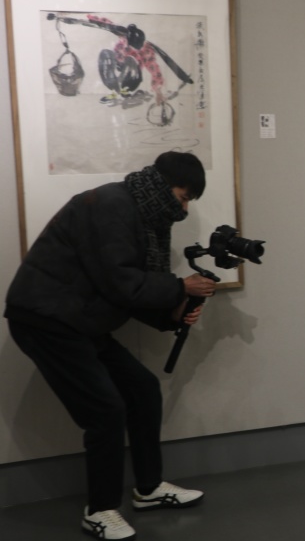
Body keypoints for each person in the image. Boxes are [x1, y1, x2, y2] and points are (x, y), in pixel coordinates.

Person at [5, 151, 218, 540]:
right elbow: (121, 282)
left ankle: (148, 489)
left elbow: (125, 287)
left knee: (143, 389)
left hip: (80, 319)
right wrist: (179, 287)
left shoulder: (140, 212)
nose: (185, 209)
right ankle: (100, 510)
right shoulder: (111, 205)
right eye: (184, 197)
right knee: (105, 410)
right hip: (46, 320)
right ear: (163, 186)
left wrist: (173, 312)